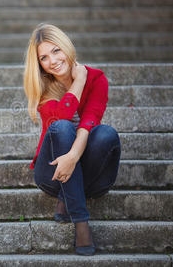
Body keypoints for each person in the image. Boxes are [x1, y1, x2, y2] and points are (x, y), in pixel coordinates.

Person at [23, 23, 121, 256]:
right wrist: (78, 81)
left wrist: (73, 157)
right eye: (44, 58)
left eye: (56, 50)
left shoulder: (97, 79)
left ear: (66, 47)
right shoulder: (44, 88)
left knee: (106, 133)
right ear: (39, 64)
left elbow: (88, 124)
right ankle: (81, 222)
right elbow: (62, 117)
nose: (53, 61)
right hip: (51, 174)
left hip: (90, 174)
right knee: (62, 127)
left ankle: (65, 197)